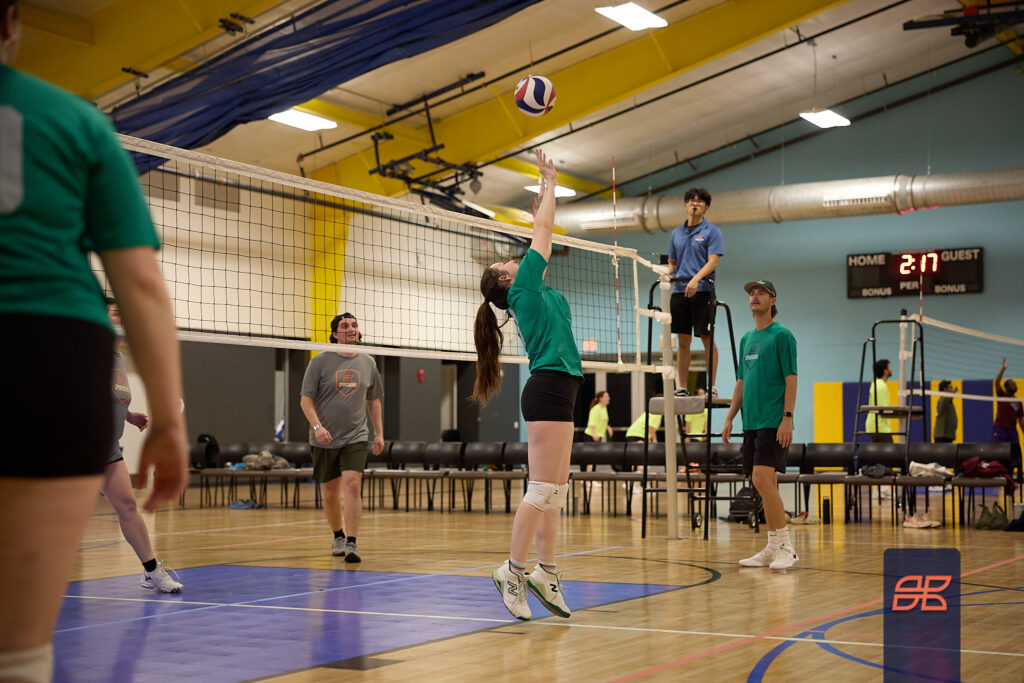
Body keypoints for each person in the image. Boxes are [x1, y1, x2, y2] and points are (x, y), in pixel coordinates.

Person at [0, 2, 189, 679]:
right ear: (11, 22)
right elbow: (140, 283)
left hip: (58, 361)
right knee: (18, 650)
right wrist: (169, 421)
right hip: (43, 343)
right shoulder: (72, 122)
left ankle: (152, 567)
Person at [473, 149, 580, 621]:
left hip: (563, 387)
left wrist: (540, 203)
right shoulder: (522, 289)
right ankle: (512, 571)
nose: (515, 258)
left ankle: (546, 573)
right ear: (504, 279)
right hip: (548, 387)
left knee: (556, 491)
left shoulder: (535, 289)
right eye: (507, 260)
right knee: (541, 489)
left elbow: (541, 234)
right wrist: (549, 184)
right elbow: (544, 234)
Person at [105, 302, 184, 592]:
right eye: (116, 313)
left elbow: (109, 396)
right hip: (78, 449)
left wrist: (128, 415)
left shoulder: (119, 359)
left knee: (128, 506)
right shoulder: (87, 352)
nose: (123, 318)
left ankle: (151, 572)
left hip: (108, 450)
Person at [722, 280, 798, 570]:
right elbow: (741, 381)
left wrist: (787, 417)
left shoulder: (782, 336)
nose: (754, 297)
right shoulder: (746, 339)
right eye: (751, 293)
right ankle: (773, 546)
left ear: (772, 300)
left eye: (761, 293)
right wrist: (729, 416)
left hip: (773, 419)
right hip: (751, 421)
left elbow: (791, 378)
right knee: (764, 483)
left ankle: (786, 547)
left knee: (762, 480)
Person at [300, 313, 384, 563]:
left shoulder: (368, 362)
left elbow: (374, 400)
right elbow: (305, 400)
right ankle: (338, 535)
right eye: (345, 326)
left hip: (356, 436)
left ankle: (352, 542)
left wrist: (379, 432)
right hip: (324, 438)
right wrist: (317, 427)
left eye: (354, 325)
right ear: (335, 334)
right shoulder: (319, 361)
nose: (351, 329)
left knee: (353, 484)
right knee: (330, 493)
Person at [667, 187, 723, 398]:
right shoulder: (676, 233)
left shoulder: (712, 232)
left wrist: (696, 279)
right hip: (679, 292)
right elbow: (672, 262)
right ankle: (681, 387)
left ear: (706, 207)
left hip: (703, 291)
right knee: (683, 341)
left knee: (706, 338)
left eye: (700, 201)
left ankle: (712, 386)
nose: (695, 203)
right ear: (685, 204)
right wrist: (665, 272)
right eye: (691, 200)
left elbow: (713, 261)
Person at [993, 358, 1023, 473]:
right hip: (1000, 430)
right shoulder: (1002, 395)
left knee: (1016, 454)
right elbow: (997, 382)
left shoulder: (1018, 402)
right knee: (1000, 454)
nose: (1015, 385)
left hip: (1012, 430)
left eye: (1015, 384)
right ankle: (998, 473)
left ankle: (1016, 476)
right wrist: (1003, 368)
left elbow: (1021, 420)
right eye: (1012, 384)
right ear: (1007, 387)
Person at [866, 359, 894, 443]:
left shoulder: (874, 384)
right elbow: (883, 409)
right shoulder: (882, 386)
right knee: (891, 451)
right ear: (885, 371)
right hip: (880, 427)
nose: (891, 369)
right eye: (889, 367)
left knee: (879, 450)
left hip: (873, 426)